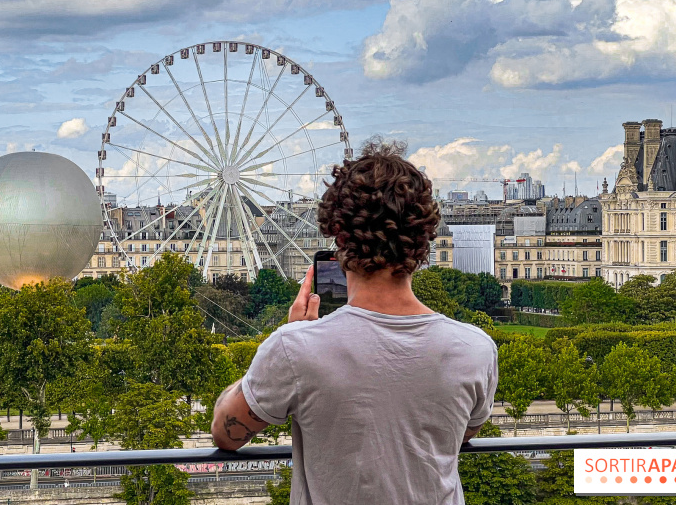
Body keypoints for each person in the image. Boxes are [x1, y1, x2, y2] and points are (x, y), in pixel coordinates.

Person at [211, 141, 498, 504]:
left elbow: (226, 433)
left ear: (340, 237)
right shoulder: (476, 349)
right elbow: (461, 432)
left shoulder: (295, 348)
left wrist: (289, 334)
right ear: (424, 242)